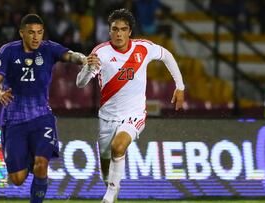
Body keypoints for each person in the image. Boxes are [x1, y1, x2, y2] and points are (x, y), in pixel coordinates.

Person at [76, 8, 185, 203]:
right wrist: (87, 68)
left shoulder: (143, 48)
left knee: (119, 147)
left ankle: (110, 196)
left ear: (130, 32)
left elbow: (167, 55)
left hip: (134, 115)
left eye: (123, 29)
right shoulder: (100, 52)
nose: (119, 33)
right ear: (109, 31)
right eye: (115, 29)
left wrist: (180, 86)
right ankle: (111, 185)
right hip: (107, 116)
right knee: (105, 162)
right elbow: (81, 83)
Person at [0, 14, 87, 203]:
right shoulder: (8, 51)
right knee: (17, 179)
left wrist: (83, 59)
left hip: (42, 117)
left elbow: (70, 55)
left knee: (41, 165)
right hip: (14, 120)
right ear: (22, 33)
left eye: (39, 33)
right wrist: (0, 93)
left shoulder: (48, 49)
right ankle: (27, 156)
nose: (36, 37)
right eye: (31, 33)